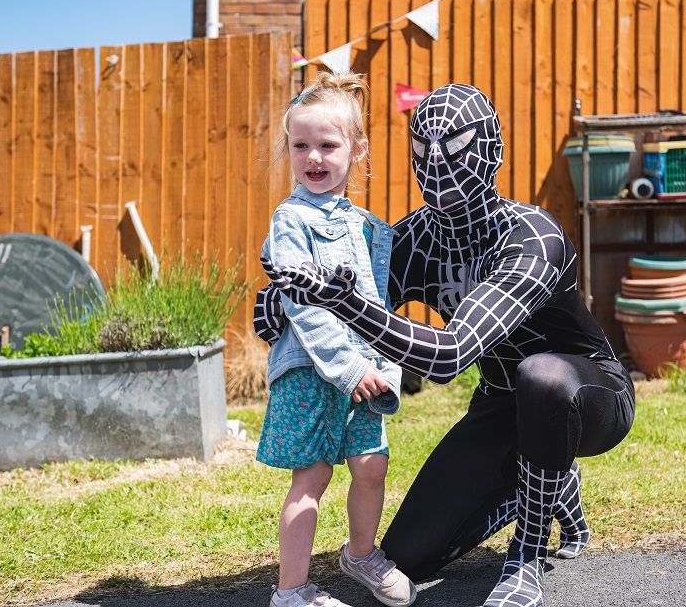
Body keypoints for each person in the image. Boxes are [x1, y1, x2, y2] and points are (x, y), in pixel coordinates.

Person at [256, 83, 635, 607]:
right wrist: (284, 301)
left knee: (542, 376)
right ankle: (544, 485)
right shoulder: (415, 239)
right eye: (422, 149)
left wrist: (346, 306)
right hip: (500, 403)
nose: (436, 163)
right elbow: (347, 290)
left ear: (492, 152)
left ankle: (525, 555)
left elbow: (450, 354)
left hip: (588, 395)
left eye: (454, 146)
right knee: (410, 554)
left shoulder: (531, 235)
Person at [257, 71, 417, 607]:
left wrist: (383, 362)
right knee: (314, 475)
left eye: (328, 145)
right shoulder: (291, 219)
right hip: (313, 368)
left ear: (357, 149)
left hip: (365, 370)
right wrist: (347, 367)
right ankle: (292, 591)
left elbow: (375, 305)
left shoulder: (371, 226)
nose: (314, 157)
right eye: (301, 145)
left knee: (372, 464)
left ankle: (361, 554)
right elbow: (305, 305)